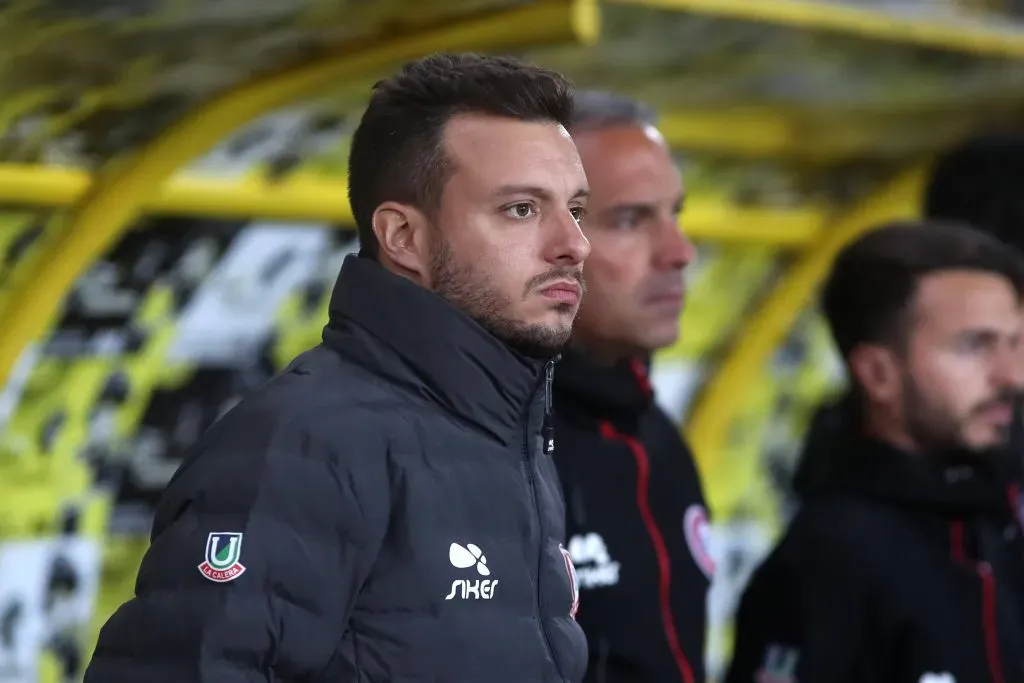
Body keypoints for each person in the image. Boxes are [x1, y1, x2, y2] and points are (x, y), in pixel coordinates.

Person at [84, 53, 592, 683]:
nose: (574, 243)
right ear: (403, 237)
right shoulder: (304, 445)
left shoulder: (509, 437)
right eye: (521, 209)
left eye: (577, 209)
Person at [726, 221, 1024, 683]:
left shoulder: (997, 524)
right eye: (974, 346)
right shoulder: (826, 561)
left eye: (1016, 344)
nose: (1011, 377)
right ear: (878, 373)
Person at [553, 91, 708, 683]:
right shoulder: (477, 443)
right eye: (629, 220)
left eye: (676, 213)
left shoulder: (655, 433)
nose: (679, 252)